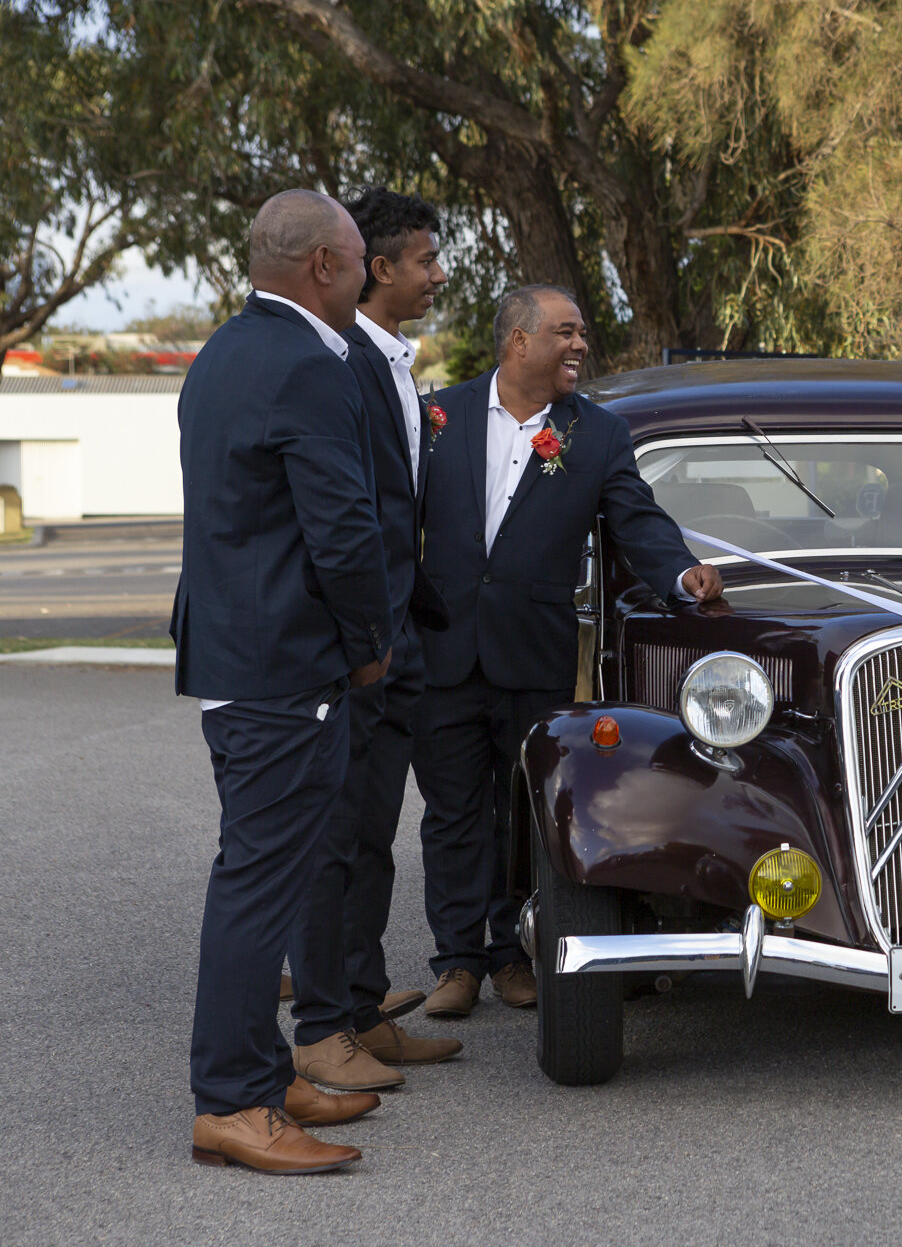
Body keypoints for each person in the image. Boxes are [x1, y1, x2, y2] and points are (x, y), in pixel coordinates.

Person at [413, 285, 724, 1019]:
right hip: (443, 650)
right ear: (519, 342)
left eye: (581, 333)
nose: (579, 345)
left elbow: (637, 523)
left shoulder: (599, 434)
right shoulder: (437, 416)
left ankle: (514, 953)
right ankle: (457, 961)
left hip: (534, 651)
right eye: (565, 332)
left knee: (525, 813)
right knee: (452, 811)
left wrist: (683, 574)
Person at [175, 189, 393, 1173]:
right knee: (259, 887)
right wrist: (368, 643)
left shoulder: (222, 351)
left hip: (236, 656)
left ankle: (263, 1078)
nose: (369, 276)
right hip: (288, 666)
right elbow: (343, 531)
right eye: (359, 262)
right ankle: (231, 1103)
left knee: (272, 873)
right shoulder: (312, 362)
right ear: (322, 269)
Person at [281, 188, 463, 1091]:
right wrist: (366, 638)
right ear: (377, 268)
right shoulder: (335, 360)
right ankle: (327, 1024)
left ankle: (361, 1007)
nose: (439, 275)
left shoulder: (398, 364)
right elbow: (342, 520)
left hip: (401, 640)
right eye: (426, 260)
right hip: (356, 647)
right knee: (336, 836)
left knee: (378, 834)